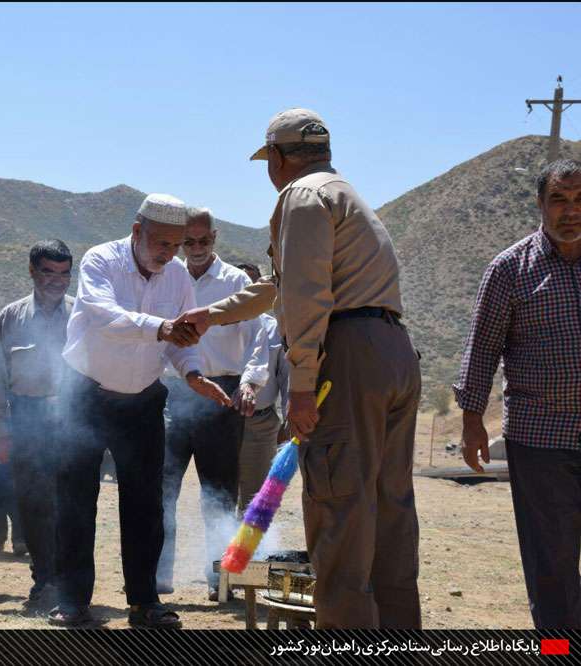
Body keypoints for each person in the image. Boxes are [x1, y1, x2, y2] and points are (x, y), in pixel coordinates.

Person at [191, 109, 421, 629]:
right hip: (391, 352)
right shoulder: (343, 195)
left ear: (276, 157)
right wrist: (210, 314)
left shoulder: (300, 196)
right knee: (388, 513)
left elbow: (305, 297)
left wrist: (300, 385)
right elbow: (280, 285)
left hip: (346, 358)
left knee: (339, 513)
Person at [50, 193, 232, 629]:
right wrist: (163, 328)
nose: (169, 254)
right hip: (85, 395)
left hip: (143, 401)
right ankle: (73, 601)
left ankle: (145, 602)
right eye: (161, 243)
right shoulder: (101, 260)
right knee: (76, 500)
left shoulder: (177, 278)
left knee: (147, 504)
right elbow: (104, 317)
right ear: (137, 232)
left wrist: (191, 373)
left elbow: (180, 340)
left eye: (177, 245)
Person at [455, 159, 581, 629]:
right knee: (552, 567)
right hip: (540, 438)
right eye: (559, 199)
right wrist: (471, 422)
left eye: (579, 199)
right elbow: (481, 348)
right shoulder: (510, 269)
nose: (571, 211)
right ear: (540, 205)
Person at [155, 208, 268, 602]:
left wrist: (251, 383)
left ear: (215, 238)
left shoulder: (237, 282)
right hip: (174, 393)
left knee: (218, 492)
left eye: (204, 241)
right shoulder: (168, 277)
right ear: (181, 241)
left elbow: (259, 342)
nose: (198, 249)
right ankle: (157, 577)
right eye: (190, 242)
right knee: (162, 488)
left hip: (222, 393)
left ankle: (219, 580)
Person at [0, 239, 74, 603]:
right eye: (48, 272)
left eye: (64, 273)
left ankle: (70, 582)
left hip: (72, 419)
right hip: (26, 418)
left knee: (71, 505)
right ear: (32, 270)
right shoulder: (11, 317)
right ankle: (43, 580)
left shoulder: (82, 314)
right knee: (34, 504)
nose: (57, 281)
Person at [235, 312, 289, 516]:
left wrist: (288, 422)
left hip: (259, 423)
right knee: (217, 497)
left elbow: (286, 377)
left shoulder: (274, 328)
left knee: (254, 502)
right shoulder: (214, 321)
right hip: (217, 421)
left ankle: (248, 548)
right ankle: (218, 546)